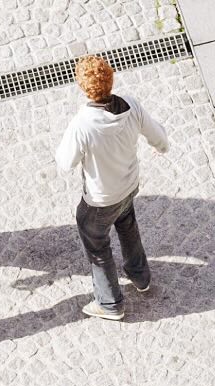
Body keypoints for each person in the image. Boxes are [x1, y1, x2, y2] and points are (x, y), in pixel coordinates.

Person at [53, 54, 170, 321]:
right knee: (127, 224)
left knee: (97, 244)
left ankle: (110, 303)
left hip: (100, 198)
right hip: (129, 186)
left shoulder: (82, 124)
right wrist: (161, 148)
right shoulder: (131, 105)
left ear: (83, 89)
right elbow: (160, 139)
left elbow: (65, 162)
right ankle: (140, 277)